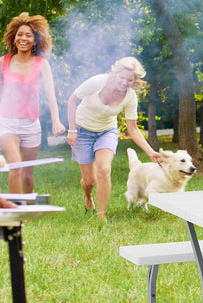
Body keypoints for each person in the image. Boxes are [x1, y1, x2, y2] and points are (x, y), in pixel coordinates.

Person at [67, 57, 161, 221]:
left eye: (129, 80)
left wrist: (151, 152)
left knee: (104, 168)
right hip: (82, 130)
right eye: (122, 77)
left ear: (134, 81)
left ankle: (101, 216)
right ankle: (88, 195)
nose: (125, 82)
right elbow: (72, 100)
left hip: (106, 132)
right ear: (115, 74)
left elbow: (132, 128)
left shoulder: (130, 97)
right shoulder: (98, 82)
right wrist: (72, 129)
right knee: (90, 180)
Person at [0, 12, 66, 193]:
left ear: (35, 41)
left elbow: (51, 96)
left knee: (27, 175)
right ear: (13, 38)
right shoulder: (4, 61)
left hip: (31, 125)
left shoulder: (41, 64)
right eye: (19, 34)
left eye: (28, 35)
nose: (23, 38)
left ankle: (27, 210)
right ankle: (16, 215)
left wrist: (56, 122)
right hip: (6, 123)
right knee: (15, 166)